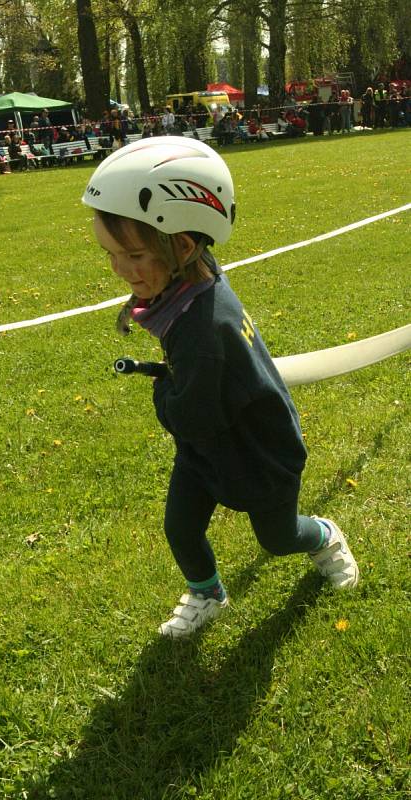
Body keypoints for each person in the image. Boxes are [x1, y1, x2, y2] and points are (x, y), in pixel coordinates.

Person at [81, 137, 359, 638]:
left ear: (182, 244)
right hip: (211, 448)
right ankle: (207, 591)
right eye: (111, 254)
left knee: (279, 537)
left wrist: (163, 390)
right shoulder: (195, 282)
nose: (120, 269)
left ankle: (324, 536)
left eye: (134, 254)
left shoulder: (204, 336)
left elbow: (191, 416)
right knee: (181, 527)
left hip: (259, 451)